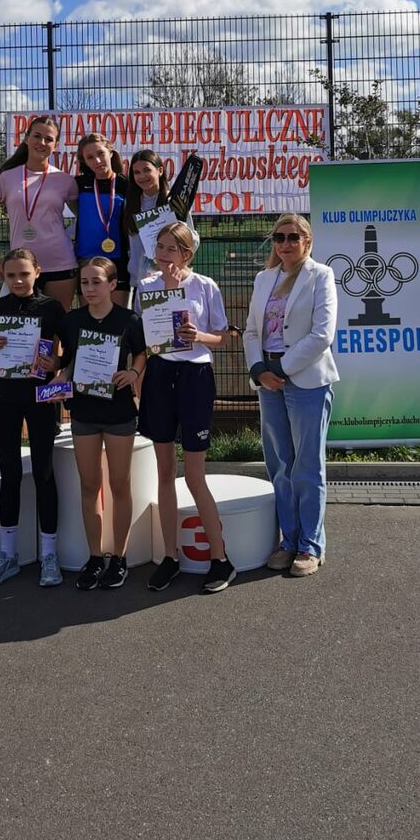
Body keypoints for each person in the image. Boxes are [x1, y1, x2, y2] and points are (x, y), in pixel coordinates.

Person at [136, 222, 235, 594]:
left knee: (194, 475)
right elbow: (145, 337)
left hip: (195, 376)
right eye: (159, 247)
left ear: (187, 254)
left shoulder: (205, 285)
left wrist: (199, 336)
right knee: (164, 472)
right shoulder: (146, 287)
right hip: (160, 375)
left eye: (171, 249)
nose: (163, 254)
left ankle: (220, 558)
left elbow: (222, 336)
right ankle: (169, 557)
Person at [243, 214, 338, 577]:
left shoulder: (321, 276)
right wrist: (259, 370)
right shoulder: (263, 278)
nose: (285, 243)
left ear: (307, 242)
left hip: (306, 381)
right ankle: (289, 539)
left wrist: (280, 369)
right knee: (280, 464)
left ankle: (311, 545)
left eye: (293, 237)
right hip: (268, 381)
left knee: (307, 466)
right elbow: (252, 332)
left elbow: (322, 335)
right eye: (279, 237)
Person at [0, 249, 66, 587]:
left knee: (44, 474)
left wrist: (56, 365)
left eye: (23, 274)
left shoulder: (51, 308)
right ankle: (7, 554)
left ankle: (49, 555)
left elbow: (67, 350)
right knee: (10, 475)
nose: (17, 281)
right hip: (5, 398)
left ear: (37, 272)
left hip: (41, 399)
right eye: (10, 275)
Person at [54, 257, 146, 591]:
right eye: (84, 282)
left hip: (119, 412)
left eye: (97, 282)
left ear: (112, 284)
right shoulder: (72, 321)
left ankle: (118, 558)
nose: (90, 289)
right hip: (83, 412)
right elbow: (67, 363)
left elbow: (142, 353)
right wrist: (58, 380)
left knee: (119, 485)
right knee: (89, 485)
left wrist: (133, 373)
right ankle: (95, 557)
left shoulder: (129, 320)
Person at [0, 114, 78, 310]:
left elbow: (85, 218)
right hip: (20, 269)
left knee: (58, 327)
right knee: (20, 326)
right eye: (37, 136)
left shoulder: (66, 181)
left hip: (61, 265)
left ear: (55, 145)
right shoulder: (6, 177)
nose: (42, 142)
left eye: (49, 139)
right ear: (26, 138)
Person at [125, 148, 194, 285]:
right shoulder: (130, 203)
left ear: (160, 171)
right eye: (137, 172)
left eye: (147, 170)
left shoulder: (174, 201)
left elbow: (192, 240)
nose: (142, 176)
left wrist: (179, 230)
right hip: (141, 281)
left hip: (172, 278)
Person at [74, 132, 129, 305]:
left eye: (100, 153)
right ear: (84, 161)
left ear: (110, 153)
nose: (97, 161)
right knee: (89, 316)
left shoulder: (125, 184)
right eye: (90, 157)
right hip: (86, 260)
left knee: (118, 316)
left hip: (118, 259)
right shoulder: (78, 184)